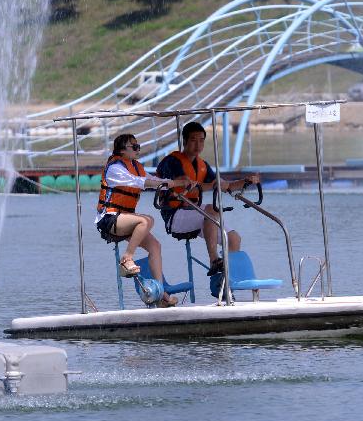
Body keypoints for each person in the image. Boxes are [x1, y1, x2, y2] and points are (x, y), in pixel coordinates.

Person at [96, 133, 189, 308]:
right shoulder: (115, 169)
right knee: (145, 221)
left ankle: (162, 294)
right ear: (122, 150)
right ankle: (127, 258)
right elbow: (140, 182)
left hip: (125, 218)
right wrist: (174, 183)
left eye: (138, 146)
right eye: (134, 147)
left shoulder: (136, 166)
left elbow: (155, 180)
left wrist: (177, 183)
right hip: (109, 218)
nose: (138, 150)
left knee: (155, 246)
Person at [156, 122, 259, 276]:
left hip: (194, 211)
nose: (198, 145)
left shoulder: (203, 165)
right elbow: (186, 183)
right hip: (174, 216)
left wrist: (246, 181)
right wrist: (212, 185)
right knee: (211, 209)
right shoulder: (171, 161)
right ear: (184, 141)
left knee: (234, 239)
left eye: (202, 140)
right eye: (193, 140)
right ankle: (214, 260)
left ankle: (227, 281)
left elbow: (224, 186)